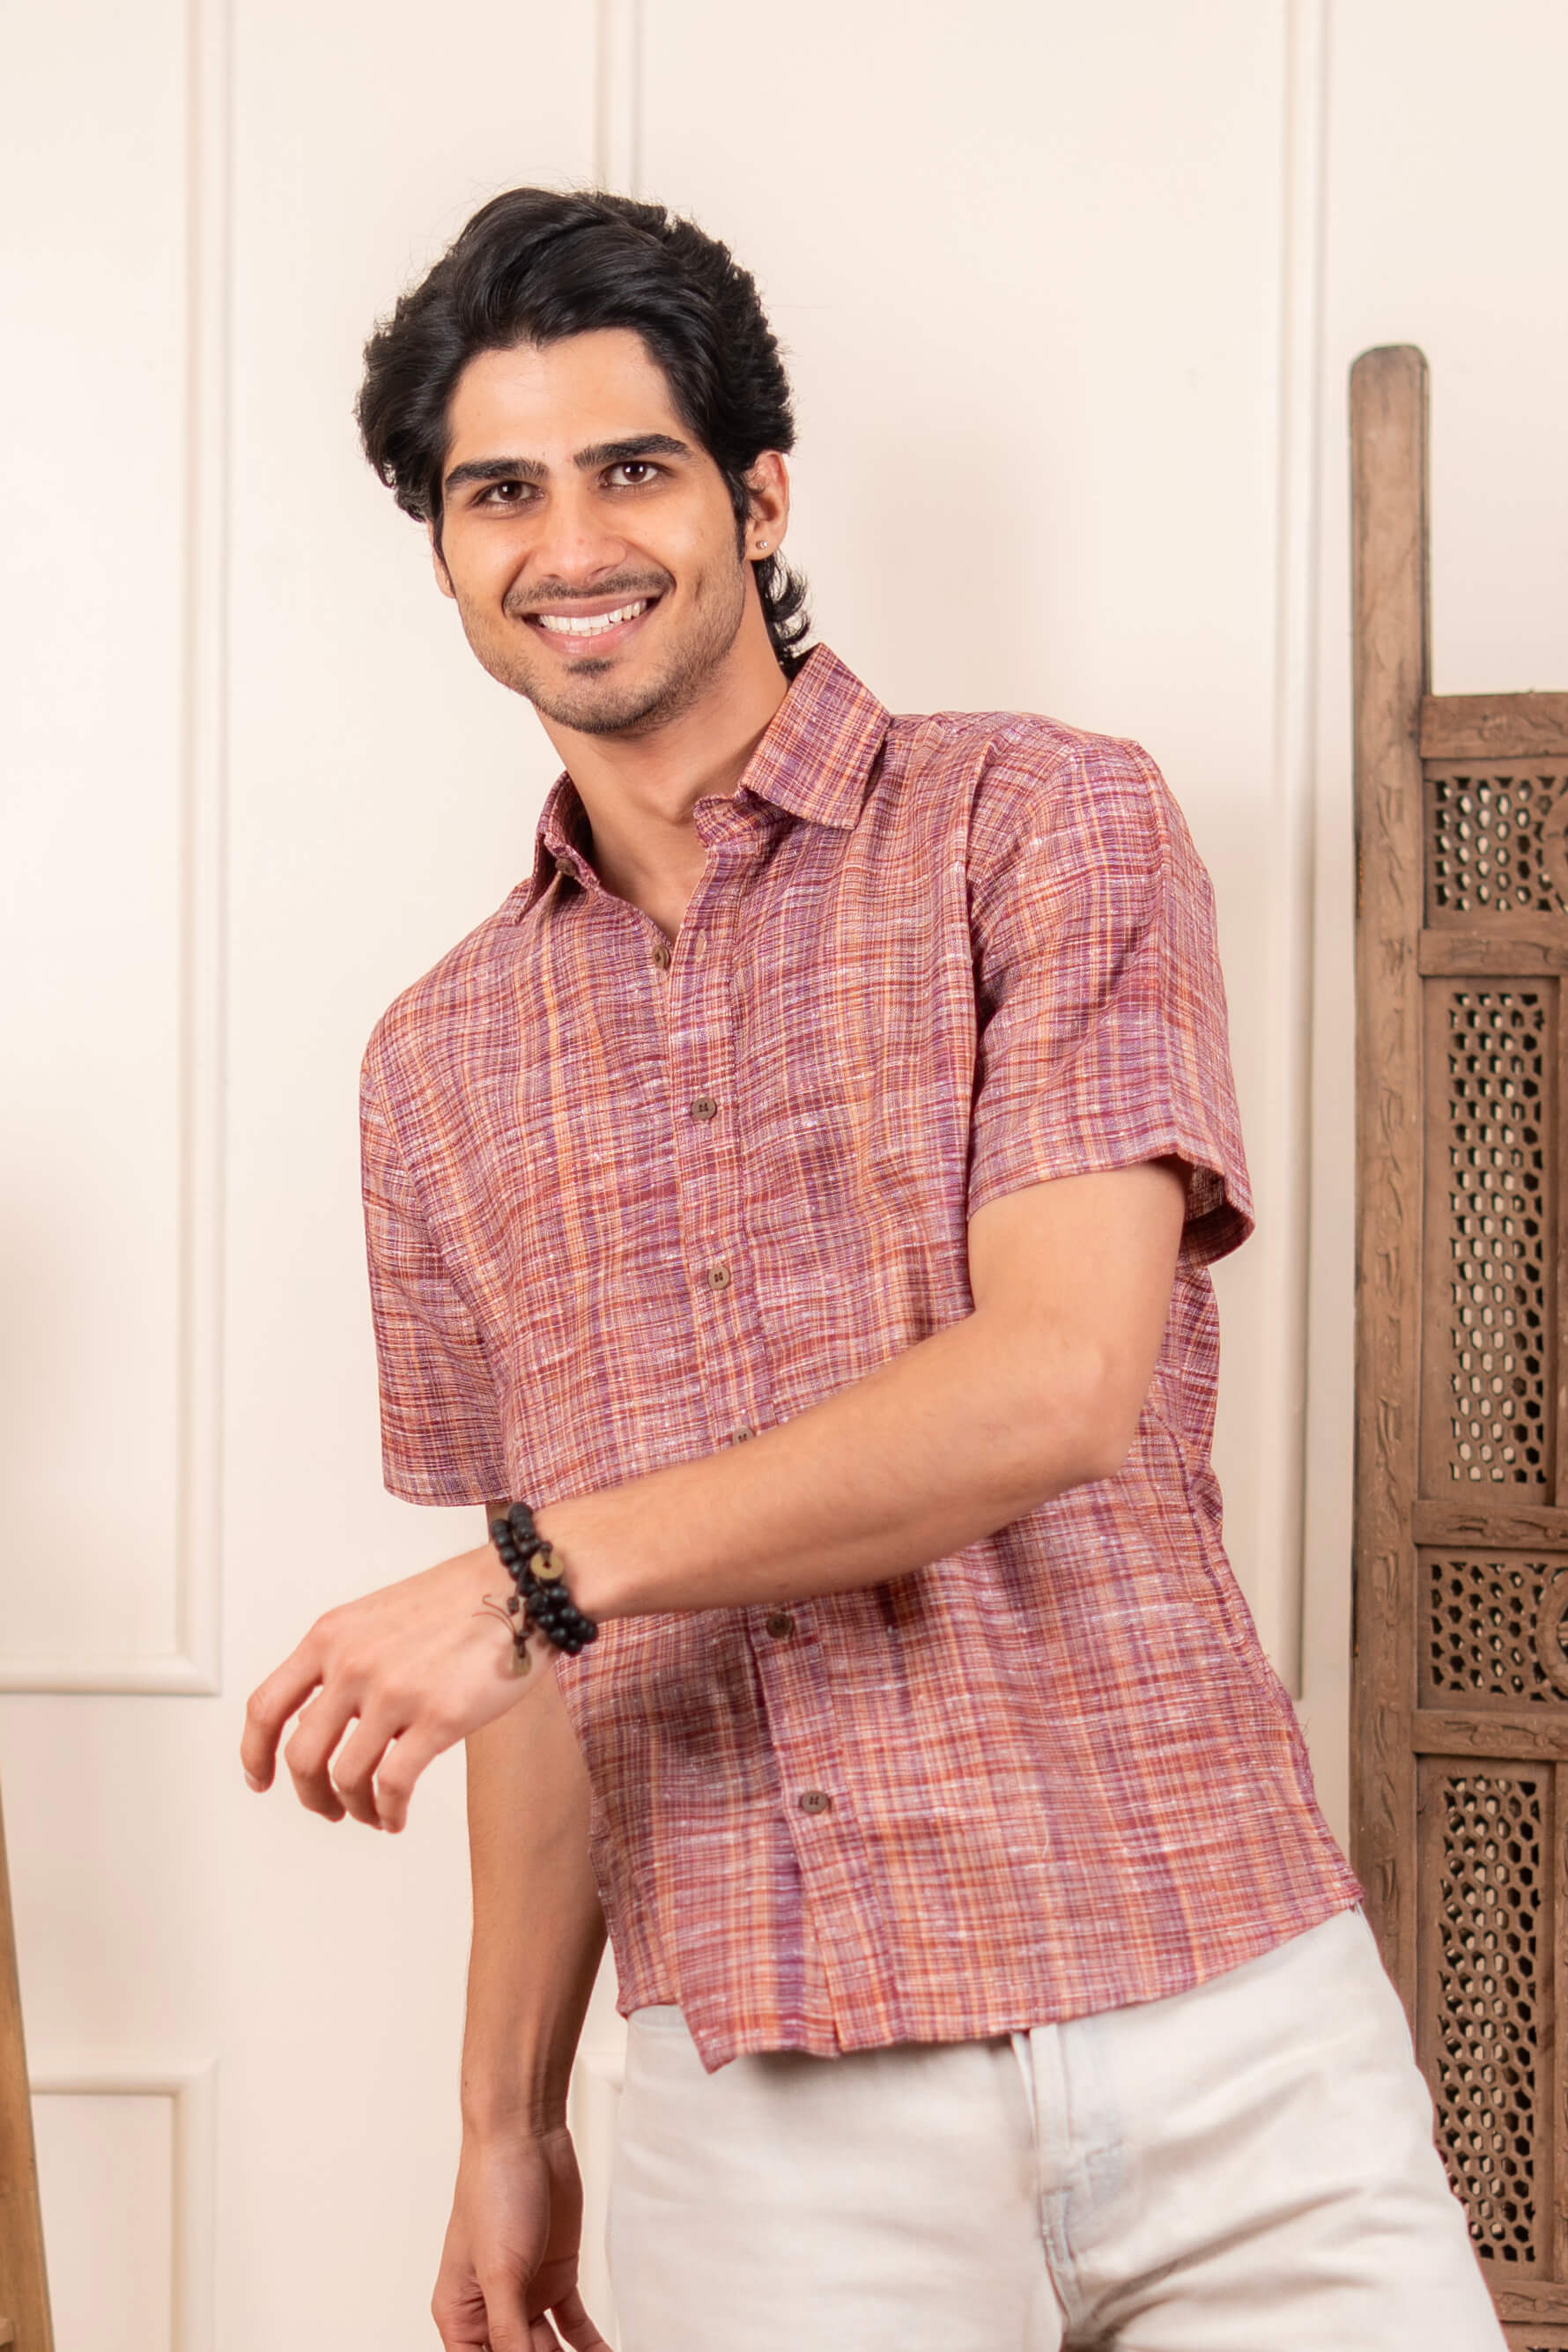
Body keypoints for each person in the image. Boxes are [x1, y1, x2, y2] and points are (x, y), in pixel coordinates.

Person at [240, 189, 1504, 2352]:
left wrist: (527, 1578)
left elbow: (1054, 1383)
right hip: (780, 2130)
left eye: (631, 468)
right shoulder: (432, 1065)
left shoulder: (1046, 825)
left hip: (1220, 2026)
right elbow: (546, 1643)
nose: (572, 543)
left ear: (754, 491)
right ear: (441, 550)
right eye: (498, 491)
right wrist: (505, 2118)